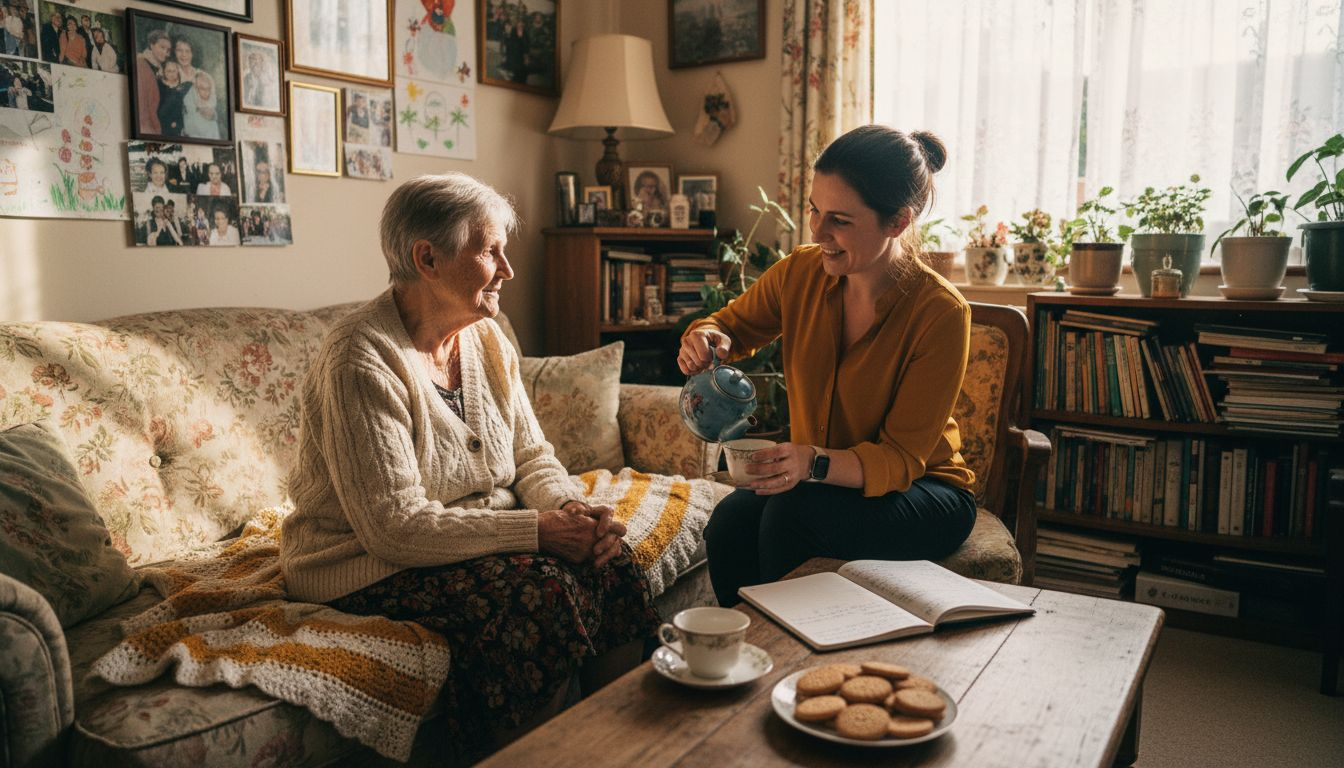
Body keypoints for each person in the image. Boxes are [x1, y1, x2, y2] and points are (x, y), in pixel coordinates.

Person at [279, 173, 657, 760]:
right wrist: (539, 532)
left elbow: (532, 456)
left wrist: (569, 509)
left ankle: (615, 751)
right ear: (426, 258)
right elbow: (395, 527)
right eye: (489, 251)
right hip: (364, 560)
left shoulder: (486, 338)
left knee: (613, 562)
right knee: (537, 596)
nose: (507, 270)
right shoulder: (360, 359)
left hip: (466, 537)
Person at [677, 125, 978, 608]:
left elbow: (901, 458)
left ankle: (801, 659)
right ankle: (749, 653)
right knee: (731, 521)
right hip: (820, 484)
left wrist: (812, 461)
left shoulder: (941, 313)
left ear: (898, 222)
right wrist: (707, 338)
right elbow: (731, 326)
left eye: (839, 219)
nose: (817, 232)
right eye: (814, 210)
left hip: (925, 493)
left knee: (790, 516)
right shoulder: (800, 273)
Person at [136, 30, 171, 134]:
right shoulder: (141, 66)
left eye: (168, 50)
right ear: (151, 45)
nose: (166, 53)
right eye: (162, 47)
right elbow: (143, 109)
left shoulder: (159, 70)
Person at [183, 70, 220, 139]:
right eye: (202, 88)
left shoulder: (211, 102)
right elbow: (190, 126)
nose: (206, 92)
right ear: (196, 88)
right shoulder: (190, 99)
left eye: (208, 89)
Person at [156, 60, 189, 136]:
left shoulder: (184, 86)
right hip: (163, 124)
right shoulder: (159, 86)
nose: (172, 74)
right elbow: (160, 109)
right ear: (164, 72)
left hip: (179, 126)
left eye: (174, 71)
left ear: (178, 71)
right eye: (169, 71)